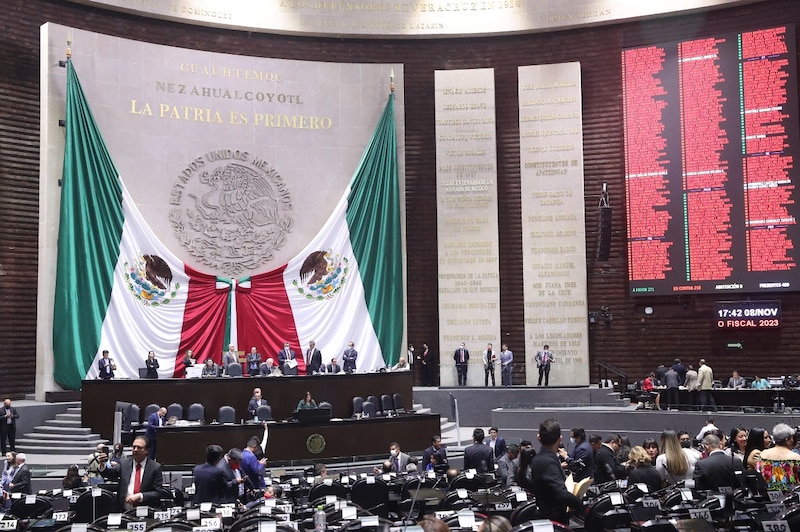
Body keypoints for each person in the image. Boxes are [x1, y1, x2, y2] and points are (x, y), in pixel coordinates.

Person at [529, 418, 583, 526]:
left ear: (539, 438)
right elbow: (561, 494)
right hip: (553, 520)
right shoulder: (548, 462)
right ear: (560, 439)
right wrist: (578, 502)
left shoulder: (539, 458)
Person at [99, 435, 164, 510]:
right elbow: (109, 474)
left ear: (147, 450)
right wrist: (102, 464)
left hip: (145, 510)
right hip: (123, 510)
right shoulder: (124, 463)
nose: (135, 450)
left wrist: (140, 496)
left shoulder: (155, 467)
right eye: (134, 447)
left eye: (139, 447)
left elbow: (158, 493)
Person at [758, 423, 800, 491]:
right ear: (787, 440)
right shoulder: (795, 457)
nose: (793, 440)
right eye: (791, 438)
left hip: (767, 493)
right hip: (790, 495)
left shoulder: (763, 454)